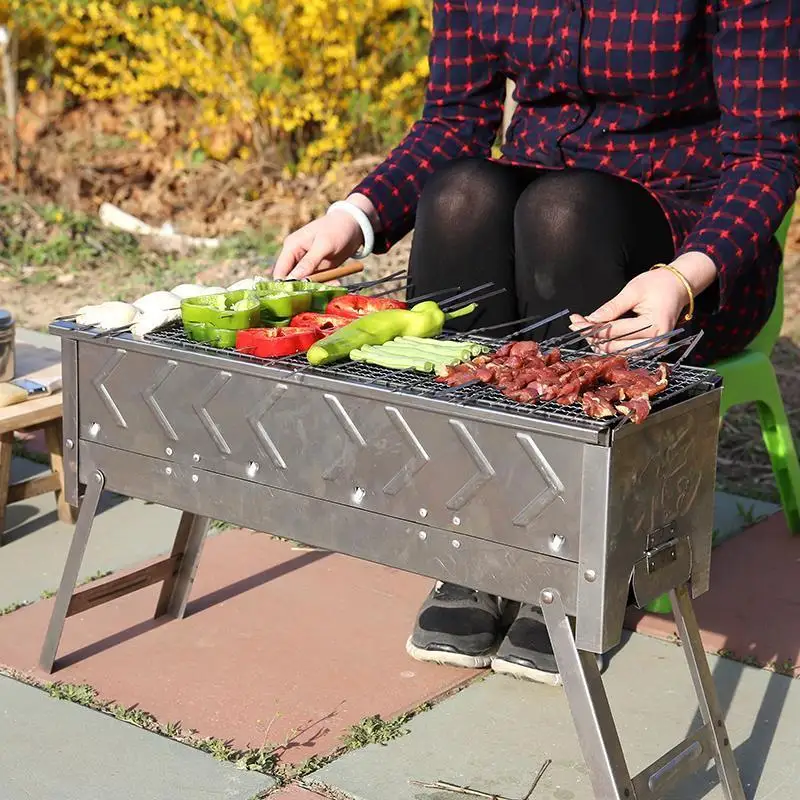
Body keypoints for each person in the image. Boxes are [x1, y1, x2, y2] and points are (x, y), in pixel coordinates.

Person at [274, 0, 800, 684]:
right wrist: (355, 214)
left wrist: (684, 276)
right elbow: (453, 120)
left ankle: (582, 551)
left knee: (564, 211)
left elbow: (767, 156)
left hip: (682, 251)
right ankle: (476, 533)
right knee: (461, 195)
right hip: (531, 222)